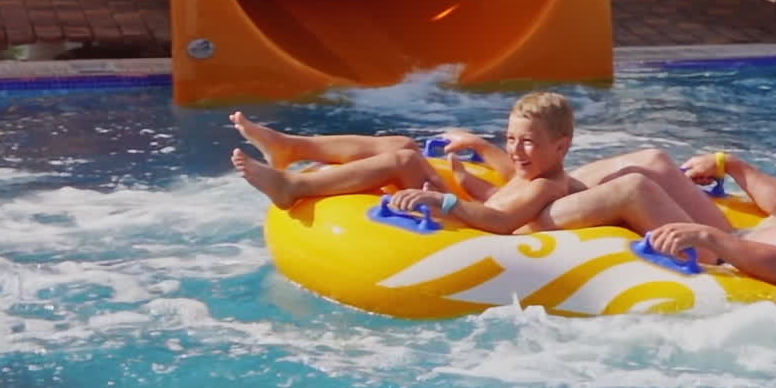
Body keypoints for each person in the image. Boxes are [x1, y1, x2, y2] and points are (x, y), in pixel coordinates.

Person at [537, 94, 776, 287]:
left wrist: (709, 238)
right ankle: (548, 182)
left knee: (634, 189)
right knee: (654, 160)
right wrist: (733, 166)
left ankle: (519, 219)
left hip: (730, 264)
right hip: (737, 242)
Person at [231, 91, 580, 234]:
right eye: (511, 139)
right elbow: (500, 193)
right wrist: (471, 160)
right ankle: (290, 147)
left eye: (528, 142)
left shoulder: (548, 185)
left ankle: (293, 186)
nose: (516, 151)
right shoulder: (530, 171)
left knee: (401, 160)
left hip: (463, 229)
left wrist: (444, 198)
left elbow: (503, 221)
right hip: (464, 209)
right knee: (401, 143)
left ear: (561, 147)